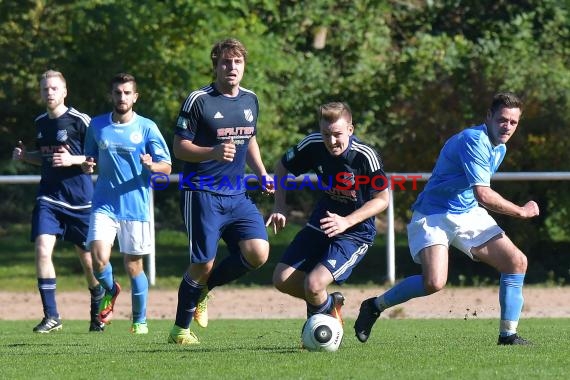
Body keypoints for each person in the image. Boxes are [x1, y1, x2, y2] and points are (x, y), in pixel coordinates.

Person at [354, 92, 539, 346]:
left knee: (516, 262)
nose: (507, 127)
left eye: (513, 122)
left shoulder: (500, 147)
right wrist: (521, 211)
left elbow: (476, 196)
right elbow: (483, 194)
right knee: (434, 282)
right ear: (488, 117)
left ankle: (508, 335)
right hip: (434, 214)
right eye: (502, 120)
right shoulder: (474, 140)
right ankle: (374, 306)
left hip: (467, 213)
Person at [168, 38, 273, 345]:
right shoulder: (198, 100)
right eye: (225, 62)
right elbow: (179, 148)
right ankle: (180, 330)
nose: (232, 67)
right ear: (215, 66)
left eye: (237, 62)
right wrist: (212, 152)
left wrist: (262, 173)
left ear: (244, 66)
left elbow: (249, 138)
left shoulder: (250, 100)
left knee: (258, 252)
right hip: (201, 192)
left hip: (236, 194)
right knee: (203, 264)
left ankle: (203, 290)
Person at [266, 102, 390, 328]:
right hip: (322, 222)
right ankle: (329, 305)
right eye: (326, 134)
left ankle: (324, 329)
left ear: (350, 130)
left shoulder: (365, 156)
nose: (331, 141)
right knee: (281, 279)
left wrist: (346, 222)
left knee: (314, 284)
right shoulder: (313, 144)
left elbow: (383, 200)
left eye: (337, 135)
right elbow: (282, 166)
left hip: (355, 233)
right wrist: (280, 206)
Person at [11, 69, 105, 333]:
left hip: (80, 201)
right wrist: (25, 156)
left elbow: (98, 154)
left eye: (54, 88)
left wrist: (74, 160)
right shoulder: (41, 122)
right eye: (45, 89)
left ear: (64, 92)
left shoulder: (80, 120)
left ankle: (97, 302)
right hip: (49, 198)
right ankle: (52, 315)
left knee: (89, 263)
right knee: (42, 248)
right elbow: (46, 158)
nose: (49, 92)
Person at [82, 73, 172, 334]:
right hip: (104, 203)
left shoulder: (147, 127)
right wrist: (88, 164)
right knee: (98, 259)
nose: (122, 97)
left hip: (135, 205)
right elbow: (90, 157)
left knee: (134, 266)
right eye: (117, 93)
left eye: (127, 93)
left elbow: (166, 166)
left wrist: (151, 165)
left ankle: (139, 320)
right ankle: (111, 289)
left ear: (135, 96)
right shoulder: (97, 126)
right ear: (111, 96)